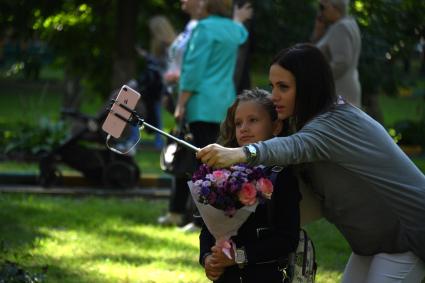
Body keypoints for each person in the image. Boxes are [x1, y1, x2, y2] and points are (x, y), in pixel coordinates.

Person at [197, 43, 425, 282]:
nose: (274, 96)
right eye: (272, 86)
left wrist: (238, 154)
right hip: (375, 242)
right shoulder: (311, 120)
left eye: (283, 87)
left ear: (308, 87)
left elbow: (294, 147)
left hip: (409, 236)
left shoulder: (336, 121)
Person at [158, 0, 251, 231]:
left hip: (201, 103)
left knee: (197, 162)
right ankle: (191, 215)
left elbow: (193, 70)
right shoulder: (235, 30)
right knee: (215, 163)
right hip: (224, 103)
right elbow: (240, 33)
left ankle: (197, 220)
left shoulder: (203, 29)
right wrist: (237, 19)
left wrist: (181, 103)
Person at [199, 88, 301, 282]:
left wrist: (238, 257)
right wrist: (207, 258)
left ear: (276, 127)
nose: (243, 128)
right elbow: (207, 228)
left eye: (253, 120)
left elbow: (287, 239)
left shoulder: (282, 175)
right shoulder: (223, 174)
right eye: (238, 123)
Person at [311, 0, 362, 107]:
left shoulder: (340, 28)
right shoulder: (349, 23)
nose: (321, 12)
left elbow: (341, 63)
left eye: (323, 7)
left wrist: (317, 77)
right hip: (346, 88)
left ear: (334, 7)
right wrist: (318, 33)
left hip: (339, 91)